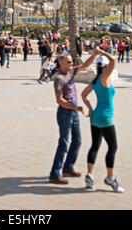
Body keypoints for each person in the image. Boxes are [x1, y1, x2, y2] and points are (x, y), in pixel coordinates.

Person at [49, 50, 98, 185]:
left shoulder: (71, 71)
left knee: (77, 140)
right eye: (69, 62)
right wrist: (75, 107)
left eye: (72, 61)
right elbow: (59, 100)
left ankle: (68, 167)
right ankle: (54, 173)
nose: (72, 63)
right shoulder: (59, 79)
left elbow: (84, 66)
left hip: (74, 113)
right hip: (65, 113)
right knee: (64, 143)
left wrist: (94, 55)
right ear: (62, 63)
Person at [81, 48, 124, 193]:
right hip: (105, 118)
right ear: (105, 67)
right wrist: (101, 52)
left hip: (95, 118)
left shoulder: (95, 81)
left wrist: (91, 109)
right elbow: (114, 60)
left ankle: (89, 176)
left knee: (95, 146)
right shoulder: (105, 77)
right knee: (113, 147)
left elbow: (83, 95)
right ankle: (110, 178)